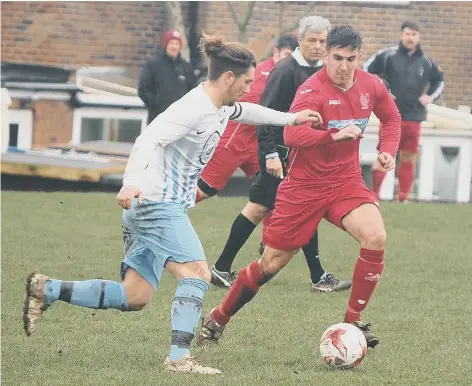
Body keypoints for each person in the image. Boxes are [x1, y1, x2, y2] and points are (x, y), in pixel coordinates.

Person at [22, 34, 321, 375]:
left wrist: (291, 119)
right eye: (247, 81)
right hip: (154, 203)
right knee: (197, 274)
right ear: (228, 78)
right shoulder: (192, 109)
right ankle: (179, 358)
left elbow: (247, 110)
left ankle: (46, 289)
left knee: (136, 296)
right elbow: (147, 138)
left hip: (157, 207)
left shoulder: (221, 105)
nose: (249, 87)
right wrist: (130, 181)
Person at [197, 26, 401, 352]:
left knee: (376, 236)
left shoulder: (370, 85)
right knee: (271, 265)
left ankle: (352, 322)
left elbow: (392, 118)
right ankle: (219, 317)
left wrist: (387, 148)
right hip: (303, 188)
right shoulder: (312, 89)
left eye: (350, 59)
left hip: (345, 181)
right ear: (326, 56)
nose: (343, 66)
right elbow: (292, 137)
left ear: (358, 57)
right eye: (337, 58)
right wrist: (332, 136)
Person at [208, 16, 351, 294]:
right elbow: (266, 115)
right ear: (300, 40)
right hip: (279, 155)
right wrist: (271, 153)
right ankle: (317, 276)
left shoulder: (324, 72)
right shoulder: (285, 70)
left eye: (323, 41)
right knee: (281, 208)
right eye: (312, 40)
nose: (318, 47)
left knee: (267, 208)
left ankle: (221, 268)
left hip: (301, 155)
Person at [195, 34, 298, 205]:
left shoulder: (288, 74)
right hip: (233, 143)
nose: (289, 60)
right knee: (204, 191)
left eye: (292, 56)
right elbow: (245, 106)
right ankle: (160, 212)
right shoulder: (263, 73)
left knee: (274, 188)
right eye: (286, 54)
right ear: (276, 53)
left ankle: (271, 232)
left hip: (255, 144)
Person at [363, 20, 444, 202]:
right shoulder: (386, 56)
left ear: (418, 37)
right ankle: (374, 196)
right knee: (385, 155)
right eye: (407, 34)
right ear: (402, 35)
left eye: (414, 35)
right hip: (390, 115)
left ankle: (403, 197)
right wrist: (380, 91)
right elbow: (365, 71)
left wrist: (429, 97)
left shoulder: (427, 62)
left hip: (414, 116)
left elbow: (440, 81)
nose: (410, 38)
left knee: (409, 155)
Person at [138, 30, 197, 124]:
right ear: (166, 45)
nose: (174, 46)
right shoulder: (153, 64)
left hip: (180, 122)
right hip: (157, 120)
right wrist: (157, 106)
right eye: (171, 43)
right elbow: (143, 89)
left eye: (177, 43)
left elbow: (193, 92)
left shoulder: (186, 67)